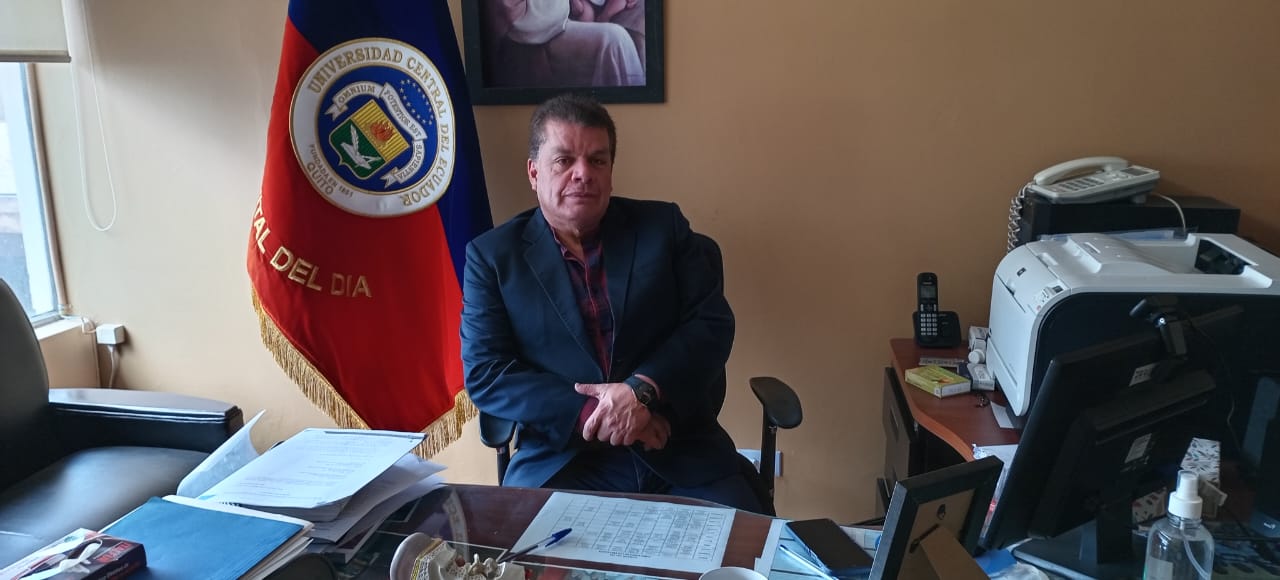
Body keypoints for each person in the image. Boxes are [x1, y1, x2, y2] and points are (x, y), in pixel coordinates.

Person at [461, 94, 763, 513]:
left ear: (610, 172)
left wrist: (641, 394)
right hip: (565, 460)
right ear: (534, 172)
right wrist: (601, 415)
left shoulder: (663, 229)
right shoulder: (493, 258)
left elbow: (710, 325)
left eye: (597, 160)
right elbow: (487, 373)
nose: (583, 173)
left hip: (675, 446)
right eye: (564, 160)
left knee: (744, 546)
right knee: (529, 550)